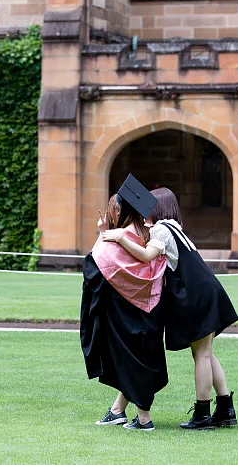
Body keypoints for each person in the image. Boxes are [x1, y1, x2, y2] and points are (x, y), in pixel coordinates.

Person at [102, 184, 238, 429]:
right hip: (208, 291)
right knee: (205, 353)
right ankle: (225, 409)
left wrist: (119, 236)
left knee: (203, 355)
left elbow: (146, 255)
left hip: (198, 294)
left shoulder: (163, 230)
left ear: (159, 208)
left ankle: (202, 415)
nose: (145, 210)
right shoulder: (176, 228)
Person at [81, 175, 169, 432]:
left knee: (131, 361)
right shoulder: (147, 233)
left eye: (114, 209)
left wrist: (102, 234)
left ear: (121, 211)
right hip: (151, 309)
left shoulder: (120, 236)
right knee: (141, 358)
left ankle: (144, 419)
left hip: (125, 312)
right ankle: (118, 411)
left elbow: (93, 266)